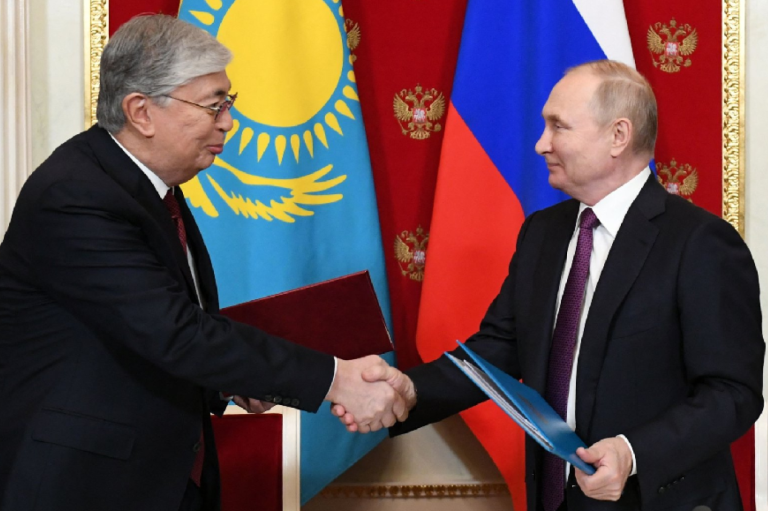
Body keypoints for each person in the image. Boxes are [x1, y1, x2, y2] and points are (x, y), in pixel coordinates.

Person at [0, 14, 405, 511]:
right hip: (83, 485)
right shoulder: (76, 195)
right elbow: (175, 333)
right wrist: (335, 380)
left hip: (159, 477)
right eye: (214, 106)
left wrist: (236, 378)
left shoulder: (147, 186)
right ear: (141, 112)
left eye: (228, 103)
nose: (229, 122)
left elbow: (144, 332)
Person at [335, 60, 765, 511]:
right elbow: (498, 350)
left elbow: (732, 392)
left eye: (558, 126)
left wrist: (632, 452)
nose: (542, 144)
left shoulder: (700, 242)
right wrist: (408, 391)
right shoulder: (543, 232)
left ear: (618, 135)